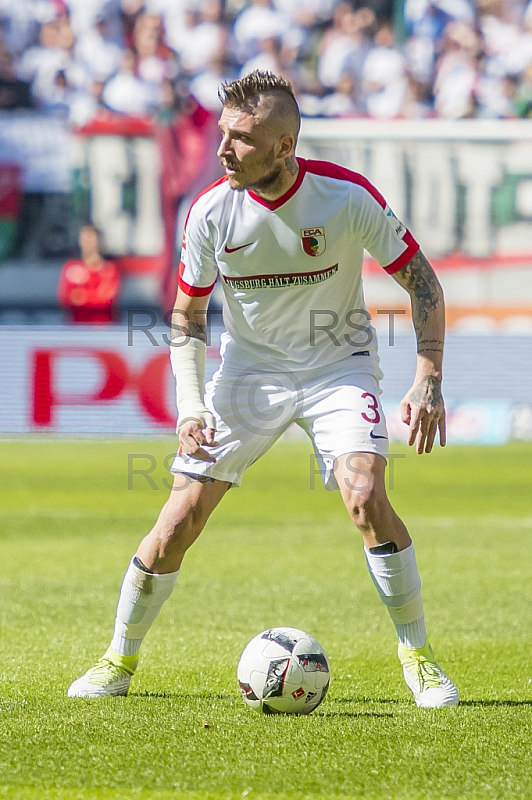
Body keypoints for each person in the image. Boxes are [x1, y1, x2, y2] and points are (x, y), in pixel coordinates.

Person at [68, 70, 459, 708]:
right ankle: (117, 660)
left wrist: (428, 376)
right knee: (176, 521)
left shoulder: (346, 196)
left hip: (339, 366)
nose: (224, 149)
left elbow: (424, 284)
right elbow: (188, 317)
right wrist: (191, 405)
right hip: (249, 373)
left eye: (242, 139)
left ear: (284, 147)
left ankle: (418, 656)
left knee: (366, 498)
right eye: (223, 133)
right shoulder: (210, 211)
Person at [58, 224, 120, 324]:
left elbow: (106, 299)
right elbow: (65, 298)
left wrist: (81, 296)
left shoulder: (110, 269)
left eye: (91, 239)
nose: (88, 243)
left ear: (99, 241)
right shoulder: (71, 267)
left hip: (104, 327)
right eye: (85, 239)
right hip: (76, 327)